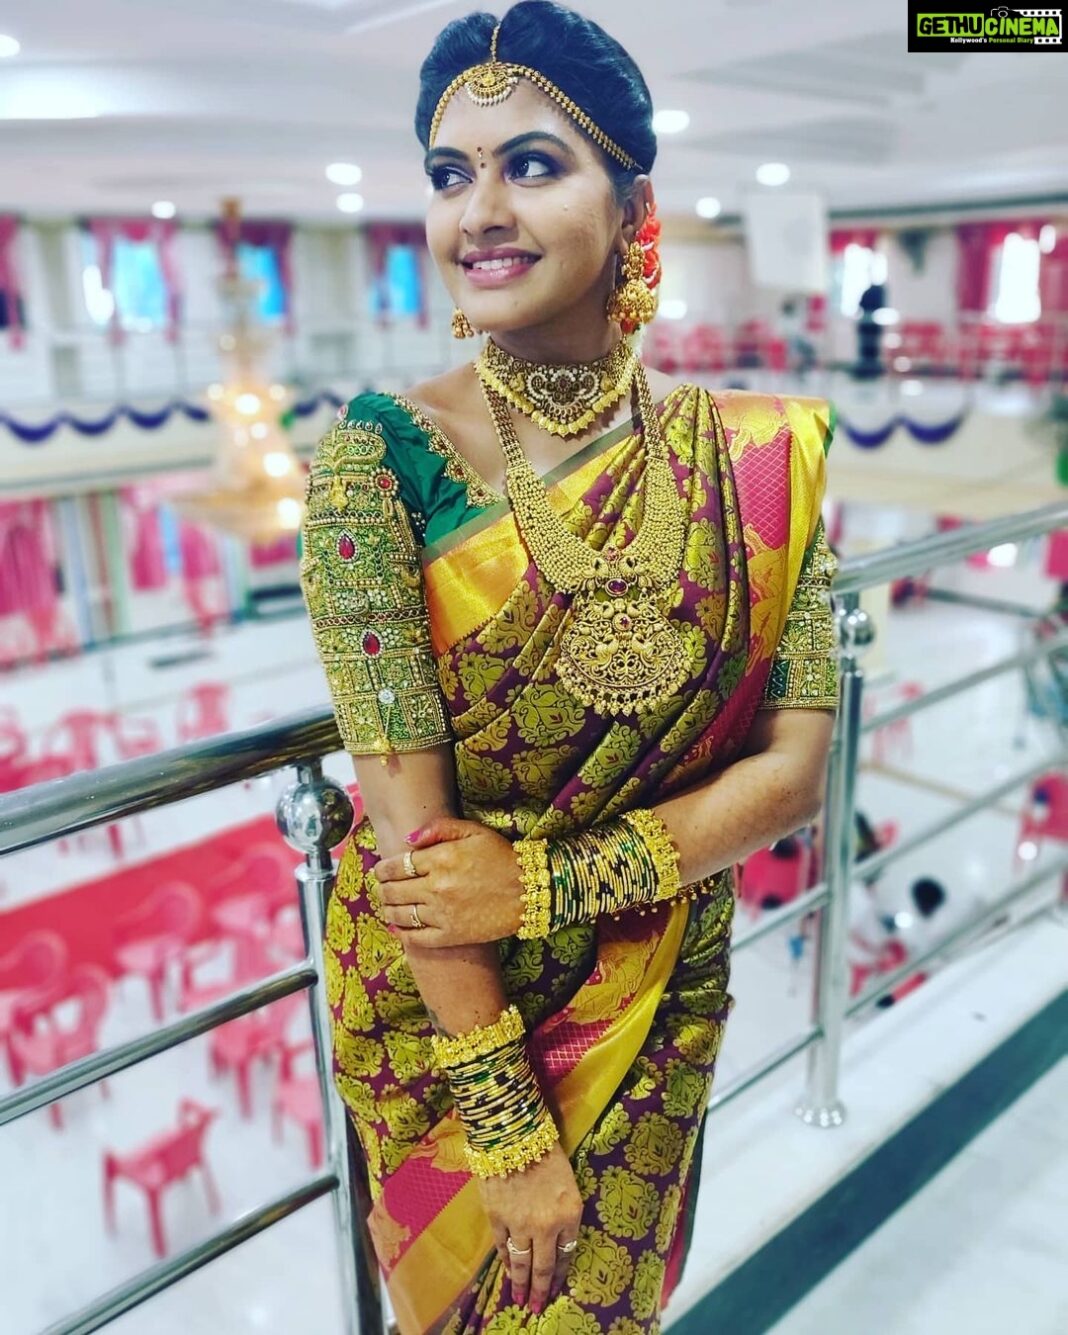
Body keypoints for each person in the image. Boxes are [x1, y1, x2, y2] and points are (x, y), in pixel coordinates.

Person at [299, 4, 838, 1330]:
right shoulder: (380, 457)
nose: (478, 211)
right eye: (449, 174)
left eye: (532, 165)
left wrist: (546, 881)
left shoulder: (758, 458)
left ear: (633, 203)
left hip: (658, 987)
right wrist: (506, 1126)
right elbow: (415, 853)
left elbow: (797, 774)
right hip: (452, 1033)